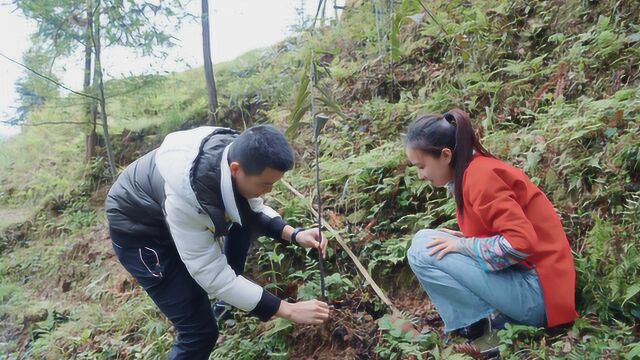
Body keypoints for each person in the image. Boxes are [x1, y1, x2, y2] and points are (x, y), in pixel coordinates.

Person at [105, 125, 330, 359]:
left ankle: (229, 302)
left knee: (240, 229)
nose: (268, 191)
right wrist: (288, 310)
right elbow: (212, 275)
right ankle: (228, 301)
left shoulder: (235, 151)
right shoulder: (188, 199)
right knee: (199, 331)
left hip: (164, 207)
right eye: (264, 184)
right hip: (140, 230)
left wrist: (295, 234)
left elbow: (251, 212)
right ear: (235, 170)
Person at [403, 109, 578, 354]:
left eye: (422, 166)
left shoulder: (480, 177)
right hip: (529, 282)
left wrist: (464, 246)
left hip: (539, 296)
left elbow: (520, 242)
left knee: (422, 251)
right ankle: (485, 321)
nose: (421, 175)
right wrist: (465, 239)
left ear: (445, 155)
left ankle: (491, 323)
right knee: (424, 239)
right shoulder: (470, 172)